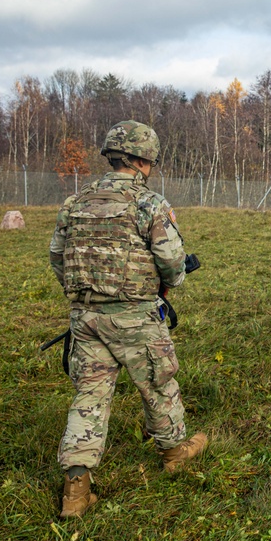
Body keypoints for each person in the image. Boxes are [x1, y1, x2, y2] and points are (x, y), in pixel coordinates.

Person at [49, 120, 207, 518]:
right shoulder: (148, 204)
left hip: (85, 318)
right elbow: (171, 264)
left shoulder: (75, 203)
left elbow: (57, 258)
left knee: (89, 397)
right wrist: (167, 283)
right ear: (144, 160)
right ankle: (174, 453)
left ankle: (76, 489)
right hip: (134, 316)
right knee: (158, 382)